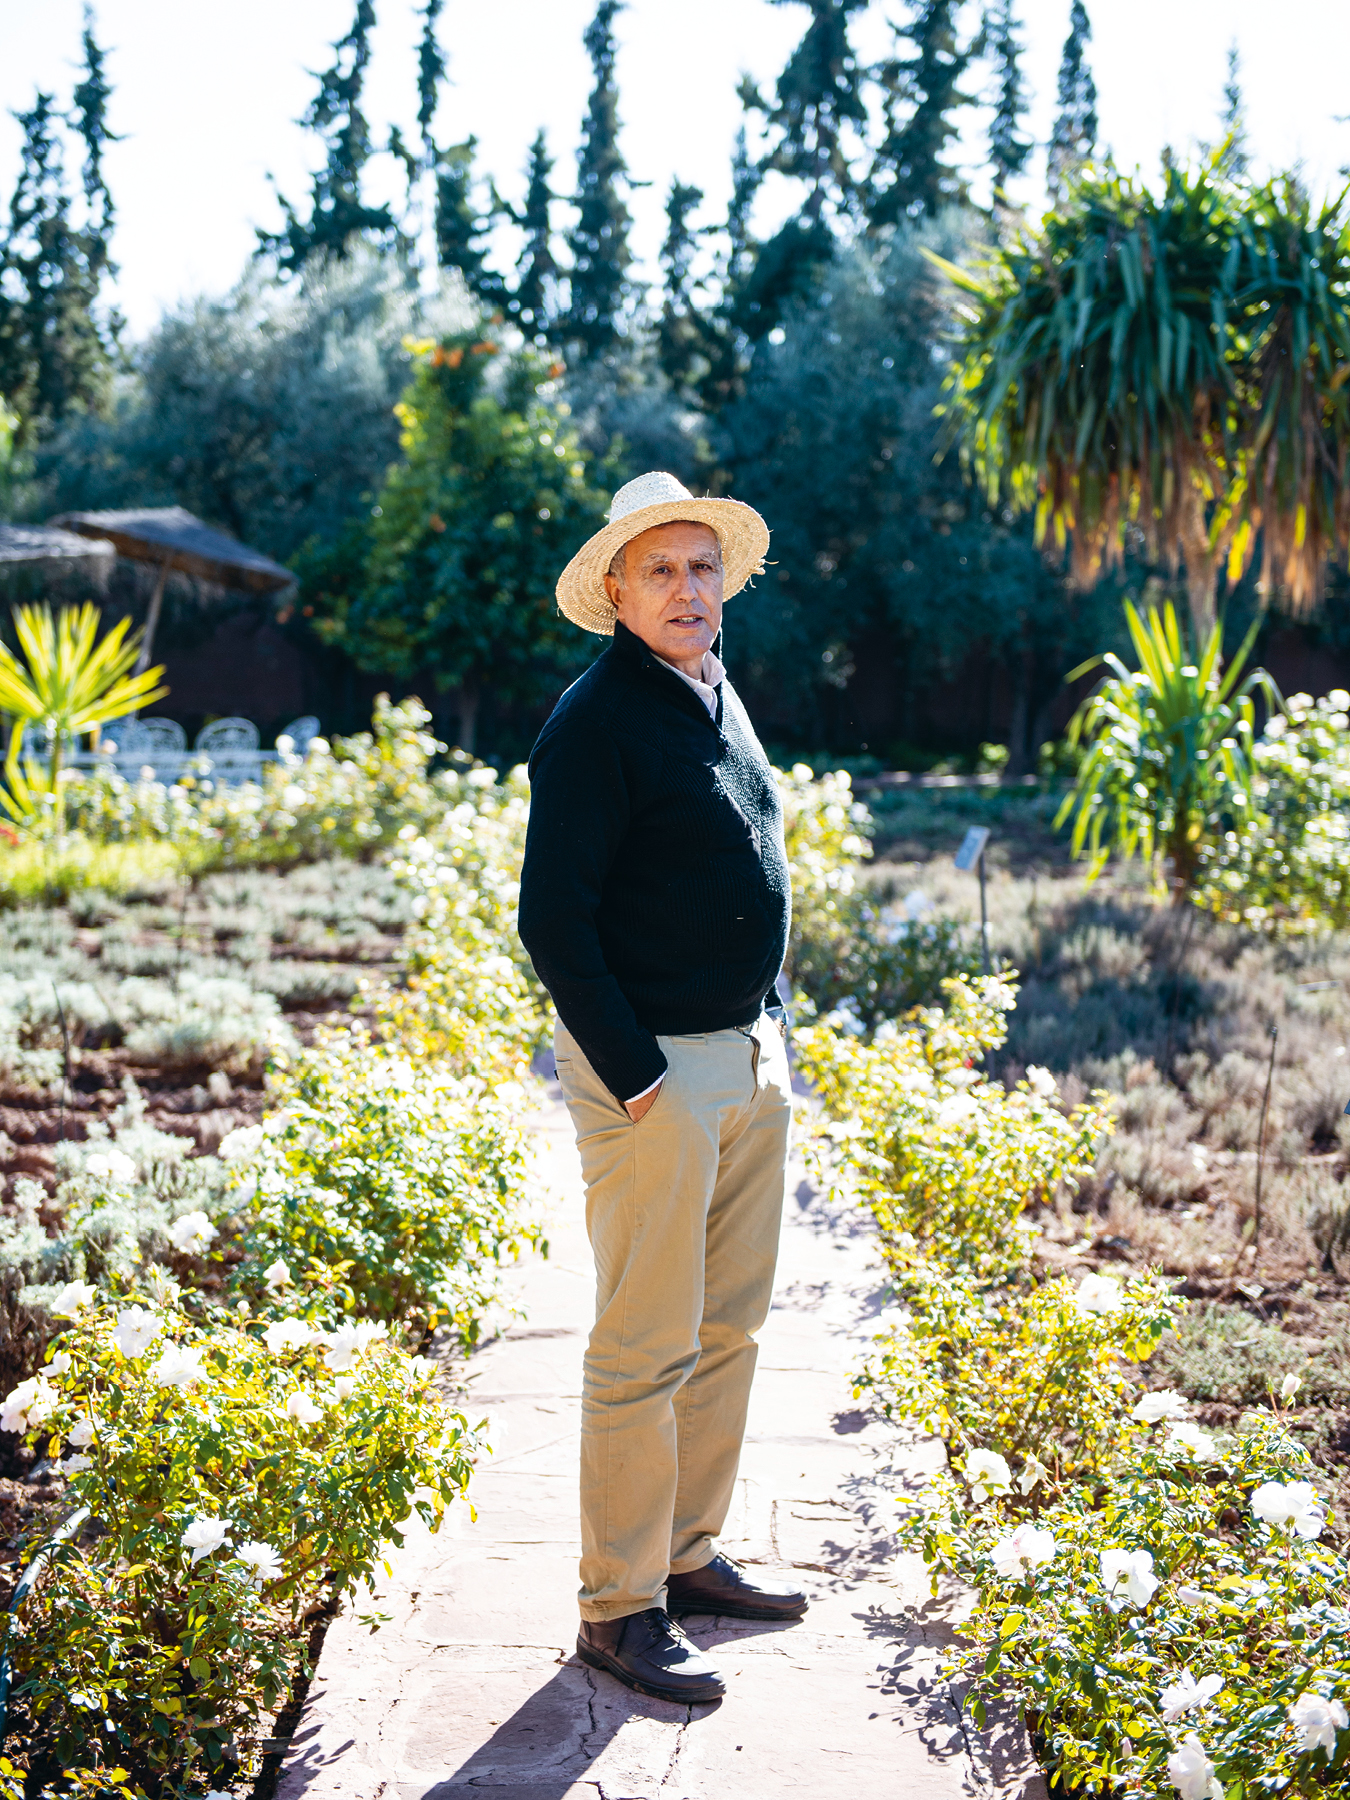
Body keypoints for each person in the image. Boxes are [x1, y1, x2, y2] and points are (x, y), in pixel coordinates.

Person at [517, 470, 805, 1707]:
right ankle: (618, 1607)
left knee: (728, 1329)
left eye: (703, 567)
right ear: (619, 593)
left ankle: (687, 1561)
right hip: (655, 1077)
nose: (689, 590)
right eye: (663, 571)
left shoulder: (719, 695)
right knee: (645, 1344)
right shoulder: (592, 724)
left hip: (745, 1055)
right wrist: (635, 1076)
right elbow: (553, 922)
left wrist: (772, 1027)